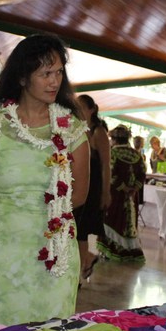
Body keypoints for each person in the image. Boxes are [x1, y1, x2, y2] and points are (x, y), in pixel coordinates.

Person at [0, 34, 89, 327]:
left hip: (53, 251)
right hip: (1, 252)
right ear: (21, 77)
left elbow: (79, 195)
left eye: (58, 73)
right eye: (45, 73)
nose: (54, 81)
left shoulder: (72, 129)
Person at [73, 94, 111, 284]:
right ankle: (86, 259)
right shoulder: (78, 130)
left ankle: (81, 270)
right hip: (79, 184)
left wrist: (106, 192)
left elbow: (106, 165)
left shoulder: (98, 132)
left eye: (81, 107)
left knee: (81, 229)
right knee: (77, 229)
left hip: (93, 187)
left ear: (91, 109)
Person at [98, 125, 146, 263]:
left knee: (112, 220)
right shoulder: (136, 154)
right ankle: (129, 250)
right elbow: (142, 174)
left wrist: (122, 187)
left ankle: (111, 250)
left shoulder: (112, 153)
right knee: (128, 221)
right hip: (132, 196)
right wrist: (134, 189)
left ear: (114, 139)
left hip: (115, 194)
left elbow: (110, 173)